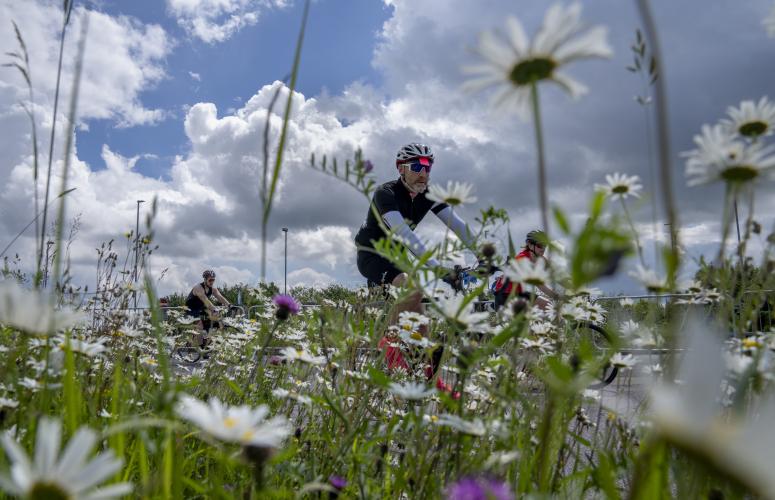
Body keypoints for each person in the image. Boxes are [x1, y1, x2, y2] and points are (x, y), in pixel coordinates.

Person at [354, 142, 477, 289]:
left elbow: (457, 224)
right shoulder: (386, 193)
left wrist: (484, 255)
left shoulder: (429, 195)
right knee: (411, 286)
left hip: (397, 256)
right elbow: (404, 234)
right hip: (371, 254)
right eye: (416, 167)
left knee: (412, 298)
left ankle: (383, 305)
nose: (423, 174)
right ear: (401, 169)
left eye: (427, 167)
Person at [492, 230, 559, 310]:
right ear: (530, 245)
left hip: (518, 293)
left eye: (545, 245)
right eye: (540, 245)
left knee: (549, 307)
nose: (543, 248)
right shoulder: (523, 259)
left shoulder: (540, 258)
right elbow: (540, 286)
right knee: (548, 309)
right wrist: (557, 296)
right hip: (504, 295)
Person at [185, 270, 231, 348]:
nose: (212, 282)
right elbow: (206, 301)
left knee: (217, 323)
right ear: (205, 279)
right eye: (210, 280)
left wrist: (230, 305)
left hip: (201, 309)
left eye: (213, 280)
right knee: (200, 324)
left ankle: (205, 341)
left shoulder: (213, 289)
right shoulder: (198, 288)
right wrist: (214, 309)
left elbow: (220, 297)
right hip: (191, 309)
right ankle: (200, 346)